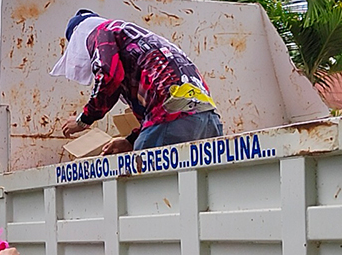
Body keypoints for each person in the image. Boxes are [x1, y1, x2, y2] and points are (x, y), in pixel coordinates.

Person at [55, 9, 222, 154]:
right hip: (207, 117)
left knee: (145, 186)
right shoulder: (135, 35)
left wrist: (83, 120)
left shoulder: (100, 34)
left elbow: (108, 77)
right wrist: (131, 140)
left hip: (171, 119)